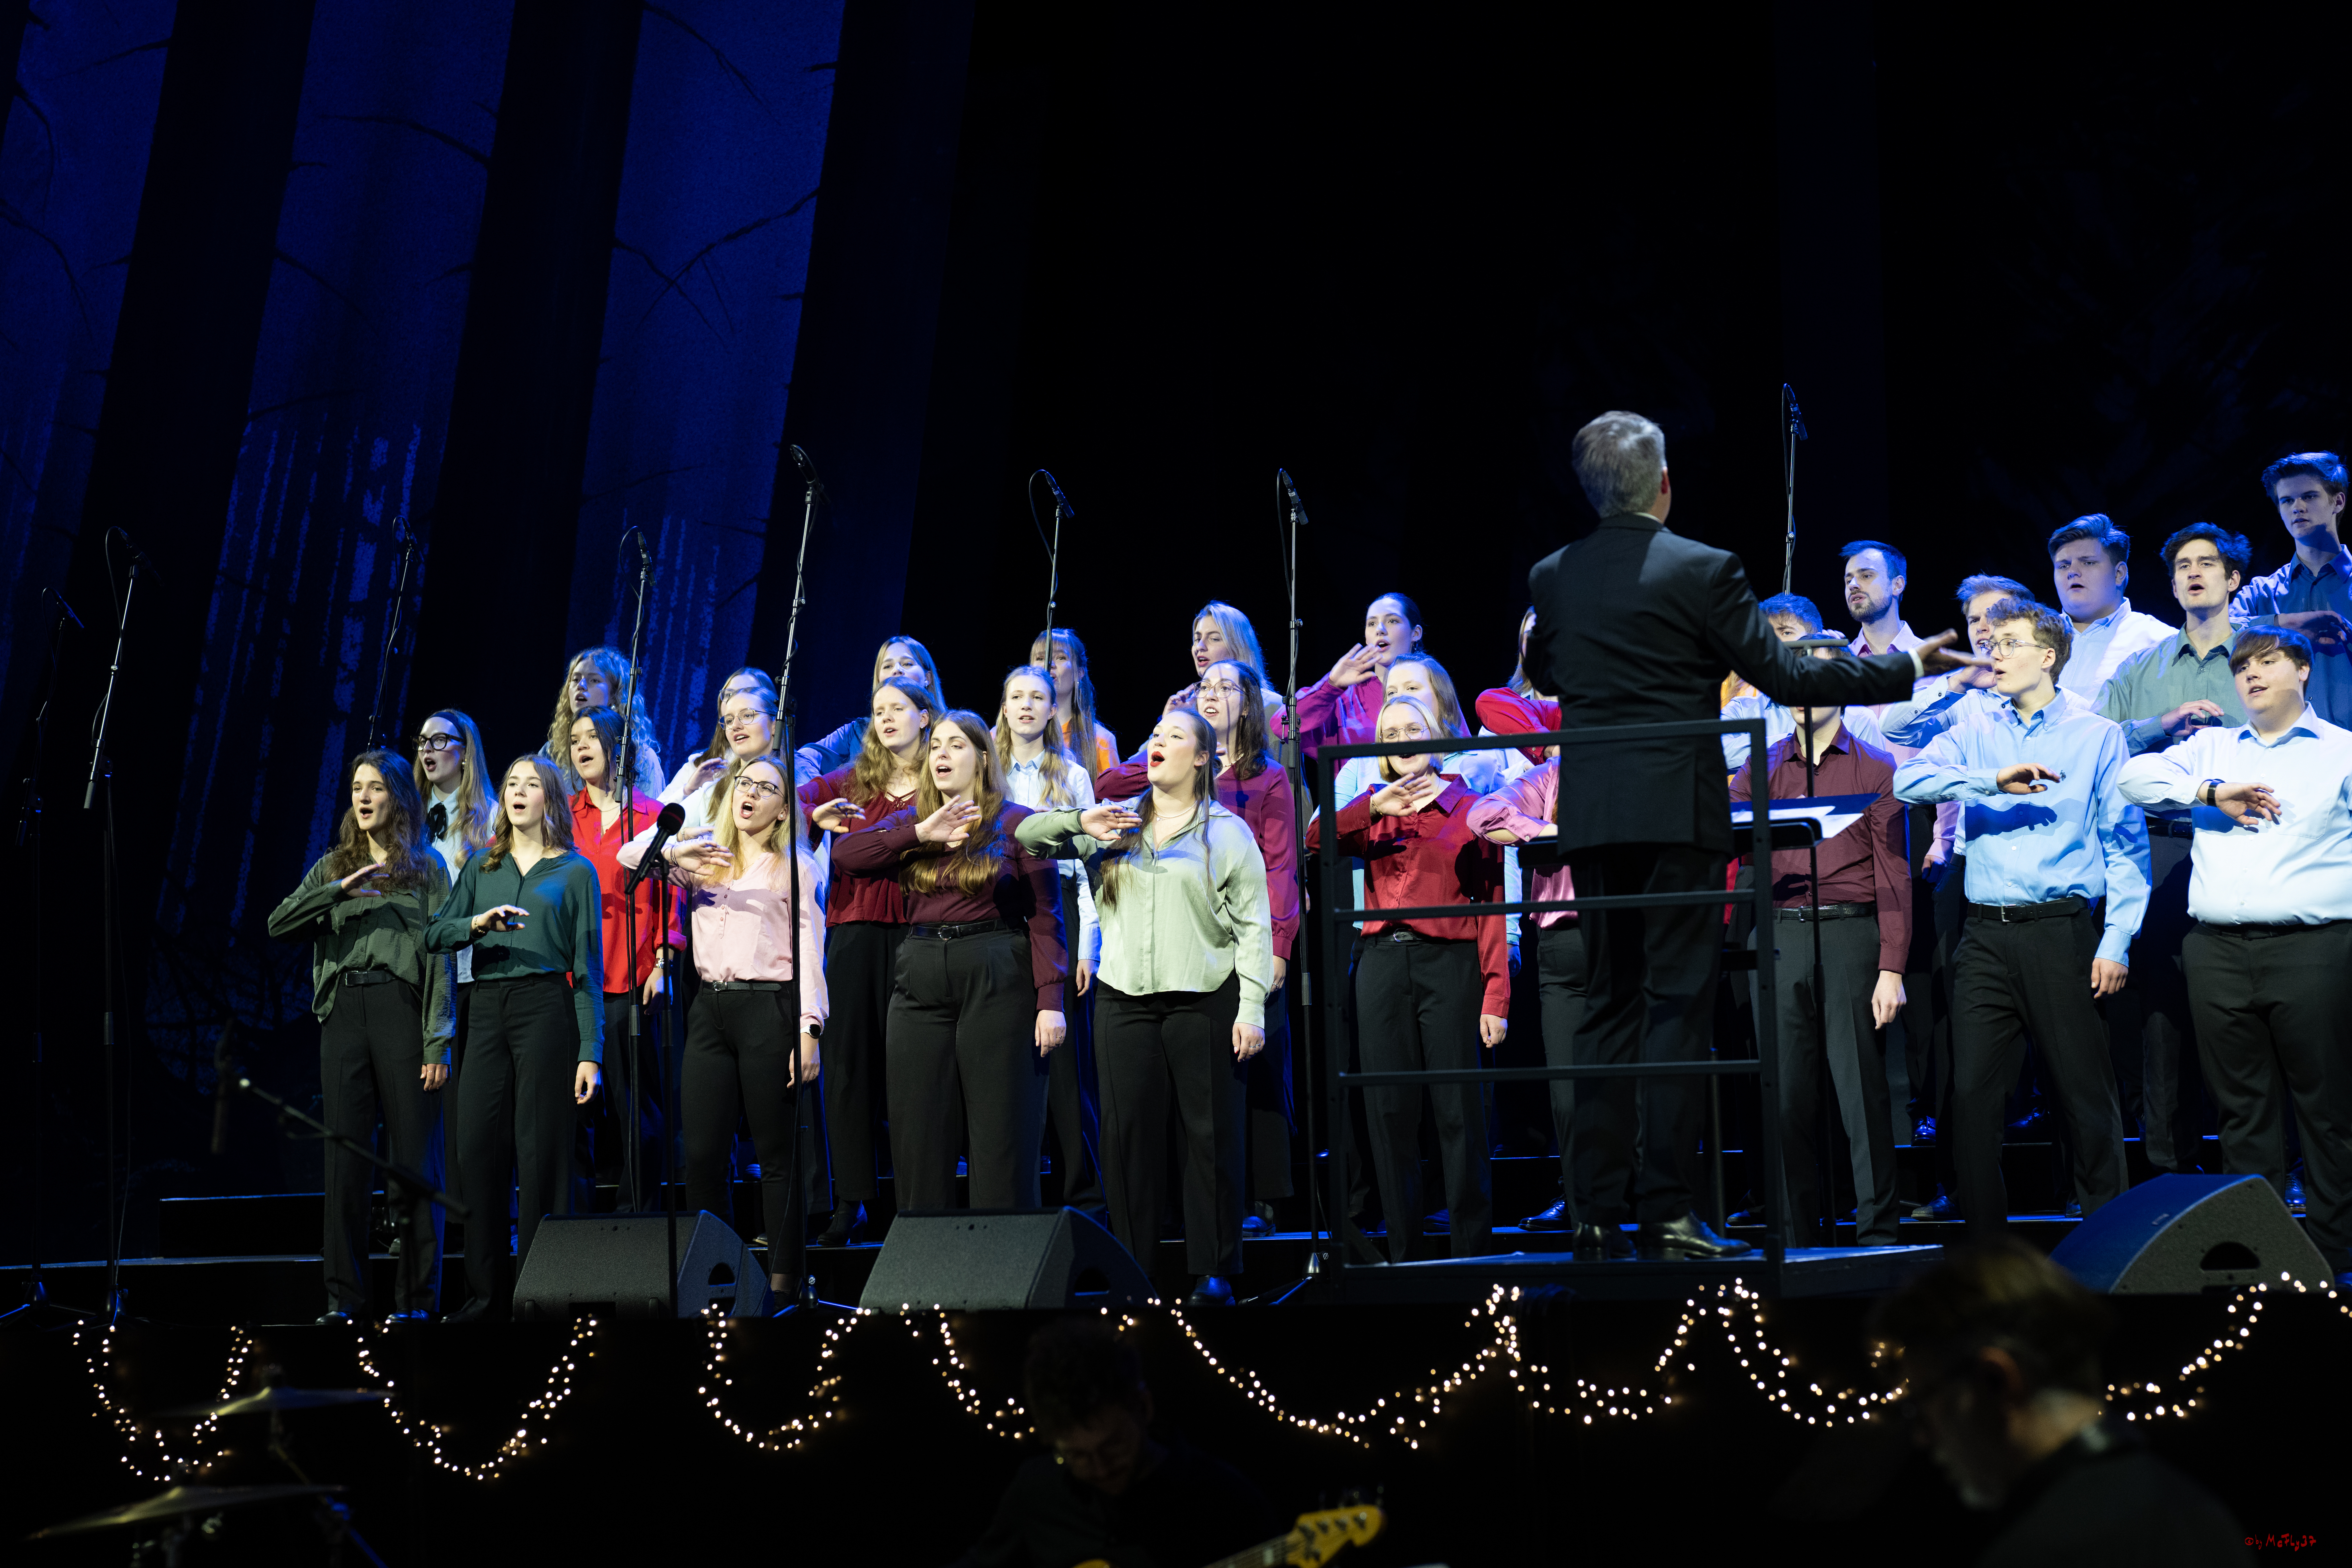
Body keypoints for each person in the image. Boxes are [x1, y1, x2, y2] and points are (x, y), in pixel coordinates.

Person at [1524, 411, 1966, 1260]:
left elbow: (1546, 669)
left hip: (1593, 816)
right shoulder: (1702, 567)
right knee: (1673, 1005)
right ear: (1663, 484)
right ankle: (1665, 1212)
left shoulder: (1553, 573)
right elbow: (1787, 674)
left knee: (1607, 1003)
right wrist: (1905, 666)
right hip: (1677, 815)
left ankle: (1593, 1215)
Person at [1894, 599, 2147, 1237]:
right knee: (1973, 1097)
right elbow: (1906, 779)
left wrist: (2116, 939)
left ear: (2048, 655)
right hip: (1984, 932)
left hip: (2060, 930)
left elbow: (2125, 846)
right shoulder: (1976, 727)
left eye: (2010, 643)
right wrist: (1988, 780)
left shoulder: (2096, 735)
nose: (1995, 653)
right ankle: (1987, 1251)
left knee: (2083, 1094)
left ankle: (2109, 1247)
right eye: (1992, 643)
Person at [2117, 627, 2352, 1283]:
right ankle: (2265, 1263)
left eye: (2267, 662)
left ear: (2302, 671)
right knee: (2242, 1114)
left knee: (2328, 1113)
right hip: (2217, 951)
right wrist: (2208, 791)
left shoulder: (2340, 751)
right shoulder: (2213, 748)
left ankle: (2336, 1261)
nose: (2251, 674)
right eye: (2243, 665)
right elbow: (2134, 775)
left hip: (2315, 949)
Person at [1019, 709, 1273, 1304]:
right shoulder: (1116, 822)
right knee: (1127, 1138)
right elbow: (1026, 836)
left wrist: (1252, 1008)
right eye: (1155, 734)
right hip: (1124, 999)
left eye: (1175, 736)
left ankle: (1214, 1269)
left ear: (1203, 758)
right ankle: (1135, 1271)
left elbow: (1255, 928)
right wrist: (1082, 819)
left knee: (1210, 1135)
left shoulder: (1227, 832)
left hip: (1204, 997)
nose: (1159, 741)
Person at [1871, 1240, 2249, 1563]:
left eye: (1922, 1403)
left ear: (1997, 1379)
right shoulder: (2201, 1512)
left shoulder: (2038, 1552)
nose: (1922, 1436)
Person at [834, 710, 1067, 1211]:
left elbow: (1046, 915)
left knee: (1000, 1129)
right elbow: (847, 856)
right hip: (920, 969)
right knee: (918, 1131)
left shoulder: (1016, 820)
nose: (941, 753)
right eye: (936, 745)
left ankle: (1000, 1253)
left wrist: (1050, 999)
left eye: (955, 745)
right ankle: (924, 1257)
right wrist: (921, 833)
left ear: (982, 758)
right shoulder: (915, 821)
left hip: (994, 967)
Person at [1099, 659, 1303, 1224]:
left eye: (1226, 687)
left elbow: (1279, 867)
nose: (1211, 693)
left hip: (1239, 935)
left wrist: (1280, 943)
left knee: (1250, 1075)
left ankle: (1261, 1198)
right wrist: (1161, 740)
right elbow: (1107, 787)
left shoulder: (1265, 777)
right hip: (1168, 948)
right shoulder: (1164, 769)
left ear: (1249, 702)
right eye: (1204, 686)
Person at [1309, 695, 1509, 1261]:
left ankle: (1471, 1255)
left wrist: (1496, 993)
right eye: (1390, 732)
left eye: (1412, 728)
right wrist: (1373, 805)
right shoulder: (1374, 807)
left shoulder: (1471, 806)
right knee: (1389, 1111)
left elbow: (1493, 903)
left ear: (1438, 735)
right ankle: (1405, 1256)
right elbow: (1316, 840)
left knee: (1458, 1111)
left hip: (1450, 963)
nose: (1402, 740)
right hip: (1379, 963)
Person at [625, 754, 827, 1302]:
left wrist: (810, 1028)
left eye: (766, 787)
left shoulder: (796, 866)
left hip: (770, 1009)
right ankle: (720, 1277)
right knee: (703, 1154)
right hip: (709, 1010)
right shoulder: (706, 858)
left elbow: (811, 951)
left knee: (776, 1154)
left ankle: (783, 1283)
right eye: (744, 782)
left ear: (783, 809)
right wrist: (676, 851)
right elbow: (629, 855)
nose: (751, 793)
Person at [1727, 646, 1911, 1246]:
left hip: (1850, 933)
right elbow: (1724, 837)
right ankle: (1795, 1237)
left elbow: (1893, 872)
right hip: (1779, 935)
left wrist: (1892, 966)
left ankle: (1878, 1231)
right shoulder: (1762, 767)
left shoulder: (1875, 767)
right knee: (1783, 1097)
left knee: (1861, 1094)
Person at [268, 751, 456, 1323]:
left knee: (415, 1162)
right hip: (344, 1013)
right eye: (356, 787)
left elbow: (442, 957)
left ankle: (416, 1301)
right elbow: (279, 924)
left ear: (398, 796)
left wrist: (438, 1041)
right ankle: (343, 1299)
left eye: (376, 787)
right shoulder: (334, 866)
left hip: (402, 1011)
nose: (364, 797)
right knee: (345, 1160)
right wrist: (336, 893)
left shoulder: (427, 869)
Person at [2094, 523, 2251, 1175]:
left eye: (2207, 563)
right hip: (2160, 848)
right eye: (2183, 564)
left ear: (2233, 578)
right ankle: (2169, 1172)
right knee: (2161, 1012)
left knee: (2243, 1007)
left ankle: (2261, 1171)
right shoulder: (2142, 666)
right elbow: (2095, 745)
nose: (2193, 573)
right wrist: (2157, 726)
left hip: (2243, 846)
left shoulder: (2262, 655)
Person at [426, 756, 604, 1319]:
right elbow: (435, 933)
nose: (517, 791)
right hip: (485, 1010)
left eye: (531, 784)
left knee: (542, 1152)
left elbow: (589, 969)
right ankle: (484, 1296)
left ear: (551, 798)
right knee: (478, 1149)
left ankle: (540, 1295)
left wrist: (591, 1052)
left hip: (546, 1008)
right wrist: (477, 924)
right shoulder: (483, 865)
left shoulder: (576, 872)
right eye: (510, 784)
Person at [952, 1316, 1280, 1568]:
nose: (1100, 1468)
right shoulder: (1037, 1489)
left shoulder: (1224, 1499)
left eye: (1113, 1445)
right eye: (1077, 1455)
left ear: (1144, 1407)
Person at [799, 675, 935, 1243]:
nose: (886, 718)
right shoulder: (855, 778)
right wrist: (815, 817)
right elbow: (796, 797)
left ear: (924, 716)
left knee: (910, 1071)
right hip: (854, 931)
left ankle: (912, 1199)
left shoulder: (941, 777)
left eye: (898, 708)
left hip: (917, 931)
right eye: (878, 710)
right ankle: (852, 1197)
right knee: (848, 1068)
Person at [995, 664, 1105, 1218]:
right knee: (1009, 1054)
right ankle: (1019, 1193)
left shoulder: (1073, 775)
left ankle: (1082, 1192)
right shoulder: (988, 771)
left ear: (1050, 708)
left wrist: (1089, 947)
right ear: (1004, 707)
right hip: (1002, 908)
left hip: (1059, 907)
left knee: (1065, 1063)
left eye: (1037, 697)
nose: (1027, 705)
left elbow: (1088, 867)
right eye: (1017, 696)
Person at [564, 705, 683, 1211]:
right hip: (574, 980)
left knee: (639, 1106)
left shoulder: (653, 816)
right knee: (573, 1109)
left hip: (632, 976)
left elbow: (673, 897)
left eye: (592, 737)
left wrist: (663, 961)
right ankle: (572, 1218)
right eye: (575, 739)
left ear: (618, 748)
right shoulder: (562, 816)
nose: (582, 746)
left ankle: (638, 1216)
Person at [1466, 760, 1585, 1238]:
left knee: (1635, 1082)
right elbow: (1484, 814)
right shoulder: (1553, 774)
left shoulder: (1642, 762)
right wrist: (1549, 833)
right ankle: (1579, 1200)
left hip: (1634, 936)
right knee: (1568, 1091)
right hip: (1564, 947)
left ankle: (1646, 1202)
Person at [2232, 450, 2352, 730]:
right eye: (2287, 500)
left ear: (2337, 502)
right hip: (2278, 745)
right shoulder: (2261, 593)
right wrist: (2284, 624)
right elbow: (2215, 636)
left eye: (2309, 497)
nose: (2297, 507)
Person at [1720, 594, 1892, 772]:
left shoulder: (1859, 718)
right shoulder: (1742, 709)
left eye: (1786, 633)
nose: (1773, 644)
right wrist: (1790, 742)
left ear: (1815, 639)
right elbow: (1713, 754)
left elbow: (1874, 778)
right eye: (1766, 635)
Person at [2046, 516, 2174, 702]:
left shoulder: (2162, 643)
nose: (2072, 572)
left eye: (2088, 562)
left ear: (2119, 574)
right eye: (2064, 566)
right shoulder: (2030, 637)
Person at [795, 635, 948, 781]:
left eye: (907, 664)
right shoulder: (859, 731)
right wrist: (821, 792)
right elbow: (801, 759)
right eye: (888, 666)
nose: (896, 670)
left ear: (927, 678)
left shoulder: (949, 731)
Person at [1291, 591, 1427, 752]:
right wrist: (1330, 686)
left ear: (1415, 633)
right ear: (1367, 638)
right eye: (1372, 624)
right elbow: (1283, 726)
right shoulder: (1343, 701)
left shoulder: (1432, 689)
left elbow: (1454, 751)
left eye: (1392, 621)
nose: (1380, 630)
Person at [662, 668, 779, 830]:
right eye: (729, 695)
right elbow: (658, 821)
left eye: (747, 714)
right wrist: (683, 835)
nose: (736, 725)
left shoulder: (796, 778)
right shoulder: (707, 779)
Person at [542, 646, 664, 796]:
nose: (581, 686)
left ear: (615, 695)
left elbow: (652, 809)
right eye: (576, 679)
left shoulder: (641, 758)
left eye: (594, 680)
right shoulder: (553, 752)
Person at [1473, 607, 1559, 766]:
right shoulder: (1505, 707)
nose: (1539, 643)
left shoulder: (1585, 698)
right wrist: (1524, 769)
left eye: (1547, 634)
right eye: (1531, 636)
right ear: (1522, 647)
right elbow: (1489, 775)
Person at [1030, 626, 1118, 775]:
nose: (1049, 664)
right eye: (1040, 659)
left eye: (1061, 658)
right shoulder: (1003, 735)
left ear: (1080, 673)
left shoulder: (1101, 741)